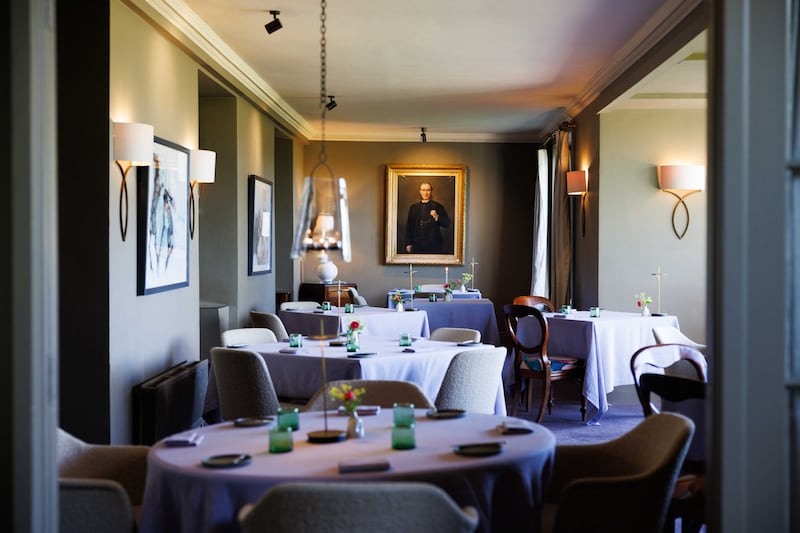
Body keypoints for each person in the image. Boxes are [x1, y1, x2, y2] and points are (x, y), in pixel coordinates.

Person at [403, 182, 451, 253]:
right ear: (420, 191)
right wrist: (408, 243)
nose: (425, 193)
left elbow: (447, 223)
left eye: (428, 190)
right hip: (417, 244)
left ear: (431, 191)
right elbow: (409, 227)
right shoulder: (413, 208)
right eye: (423, 190)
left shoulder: (438, 206)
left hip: (434, 244)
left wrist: (437, 217)